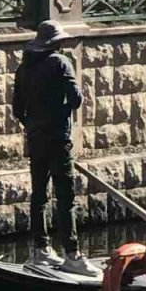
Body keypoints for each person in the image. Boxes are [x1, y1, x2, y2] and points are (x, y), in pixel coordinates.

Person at [12, 21, 99, 276]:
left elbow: (18, 109)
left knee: (39, 195)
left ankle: (41, 250)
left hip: (36, 139)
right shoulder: (61, 63)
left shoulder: (23, 69)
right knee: (66, 197)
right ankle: (72, 255)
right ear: (55, 43)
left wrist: (33, 124)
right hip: (58, 140)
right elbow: (76, 100)